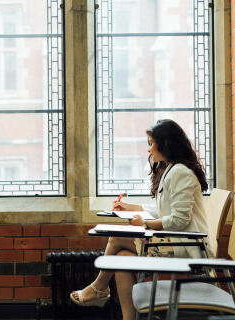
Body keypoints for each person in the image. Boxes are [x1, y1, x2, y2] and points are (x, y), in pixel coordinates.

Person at [69, 119, 213, 320]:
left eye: (151, 143)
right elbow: (163, 210)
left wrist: (144, 224)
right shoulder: (170, 169)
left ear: (166, 144)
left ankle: (99, 288)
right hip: (175, 240)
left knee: (116, 238)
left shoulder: (180, 172)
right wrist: (132, 208)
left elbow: (179, 221)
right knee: (120, 261)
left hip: (187, 245)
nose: (149, 149)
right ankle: (128, 316)